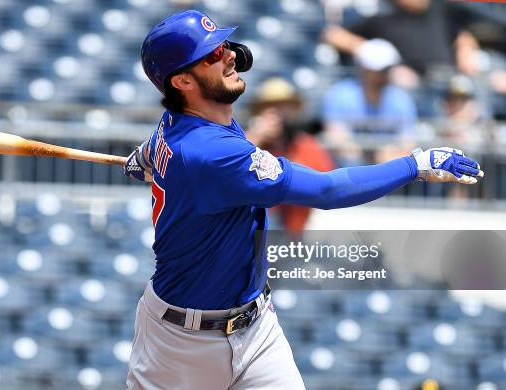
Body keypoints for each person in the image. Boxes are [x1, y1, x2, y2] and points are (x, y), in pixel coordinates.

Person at [123, 10, 483, 390]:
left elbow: (164, 145)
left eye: (224, 46)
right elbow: (328, 190)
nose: (229, 54)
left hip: (256, 326)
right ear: (182, 80)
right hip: (180, 345)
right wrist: (416, 164)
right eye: (211, 54)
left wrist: (146, 157)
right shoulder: (210, 152)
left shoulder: (186, 124)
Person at [246, 77, 334, 234]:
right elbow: (230, 171)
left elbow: (323, 185)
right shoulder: (249, 143)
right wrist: (256, 137)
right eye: (270, 106)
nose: (278, 113)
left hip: (295, 232)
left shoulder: (307, 145)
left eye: (283, 106)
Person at [324, 0, 480, 88]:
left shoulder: (439, 9)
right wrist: (375, 56)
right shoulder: (381, 13)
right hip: (407, 86)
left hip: (448, 80)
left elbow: (462, 35)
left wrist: (465, 50)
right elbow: (333, 34)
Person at [322, 39, 417, 165]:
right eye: (380, 70)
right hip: (349, 168)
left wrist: (391, 158)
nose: (384, 74)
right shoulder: (340, 95)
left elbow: (408, 143)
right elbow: (337, 139)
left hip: (388, 166)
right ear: (364, 69)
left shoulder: (401, 99)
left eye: (387, 69)